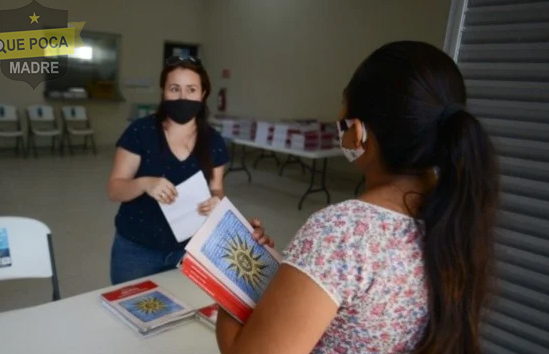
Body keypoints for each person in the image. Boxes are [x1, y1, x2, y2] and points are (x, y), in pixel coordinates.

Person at [215, 41, 500, 354]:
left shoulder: (340, 233)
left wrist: (236, 281)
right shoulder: (457, 220)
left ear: (359, 132)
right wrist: (293, 273)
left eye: (343, 103)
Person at [106, 56, 273, 285]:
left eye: (191, 89)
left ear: (202, 94)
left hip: (190, 249)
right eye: (174, 89)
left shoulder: (213, 141)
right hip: (136, 249)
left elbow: (217, 189)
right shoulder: (140, 132)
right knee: (129, 310)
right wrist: (145, 183)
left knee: (183, 313)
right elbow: (115, 189)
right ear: (163, 91)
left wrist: (216, 202)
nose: (182, 97)